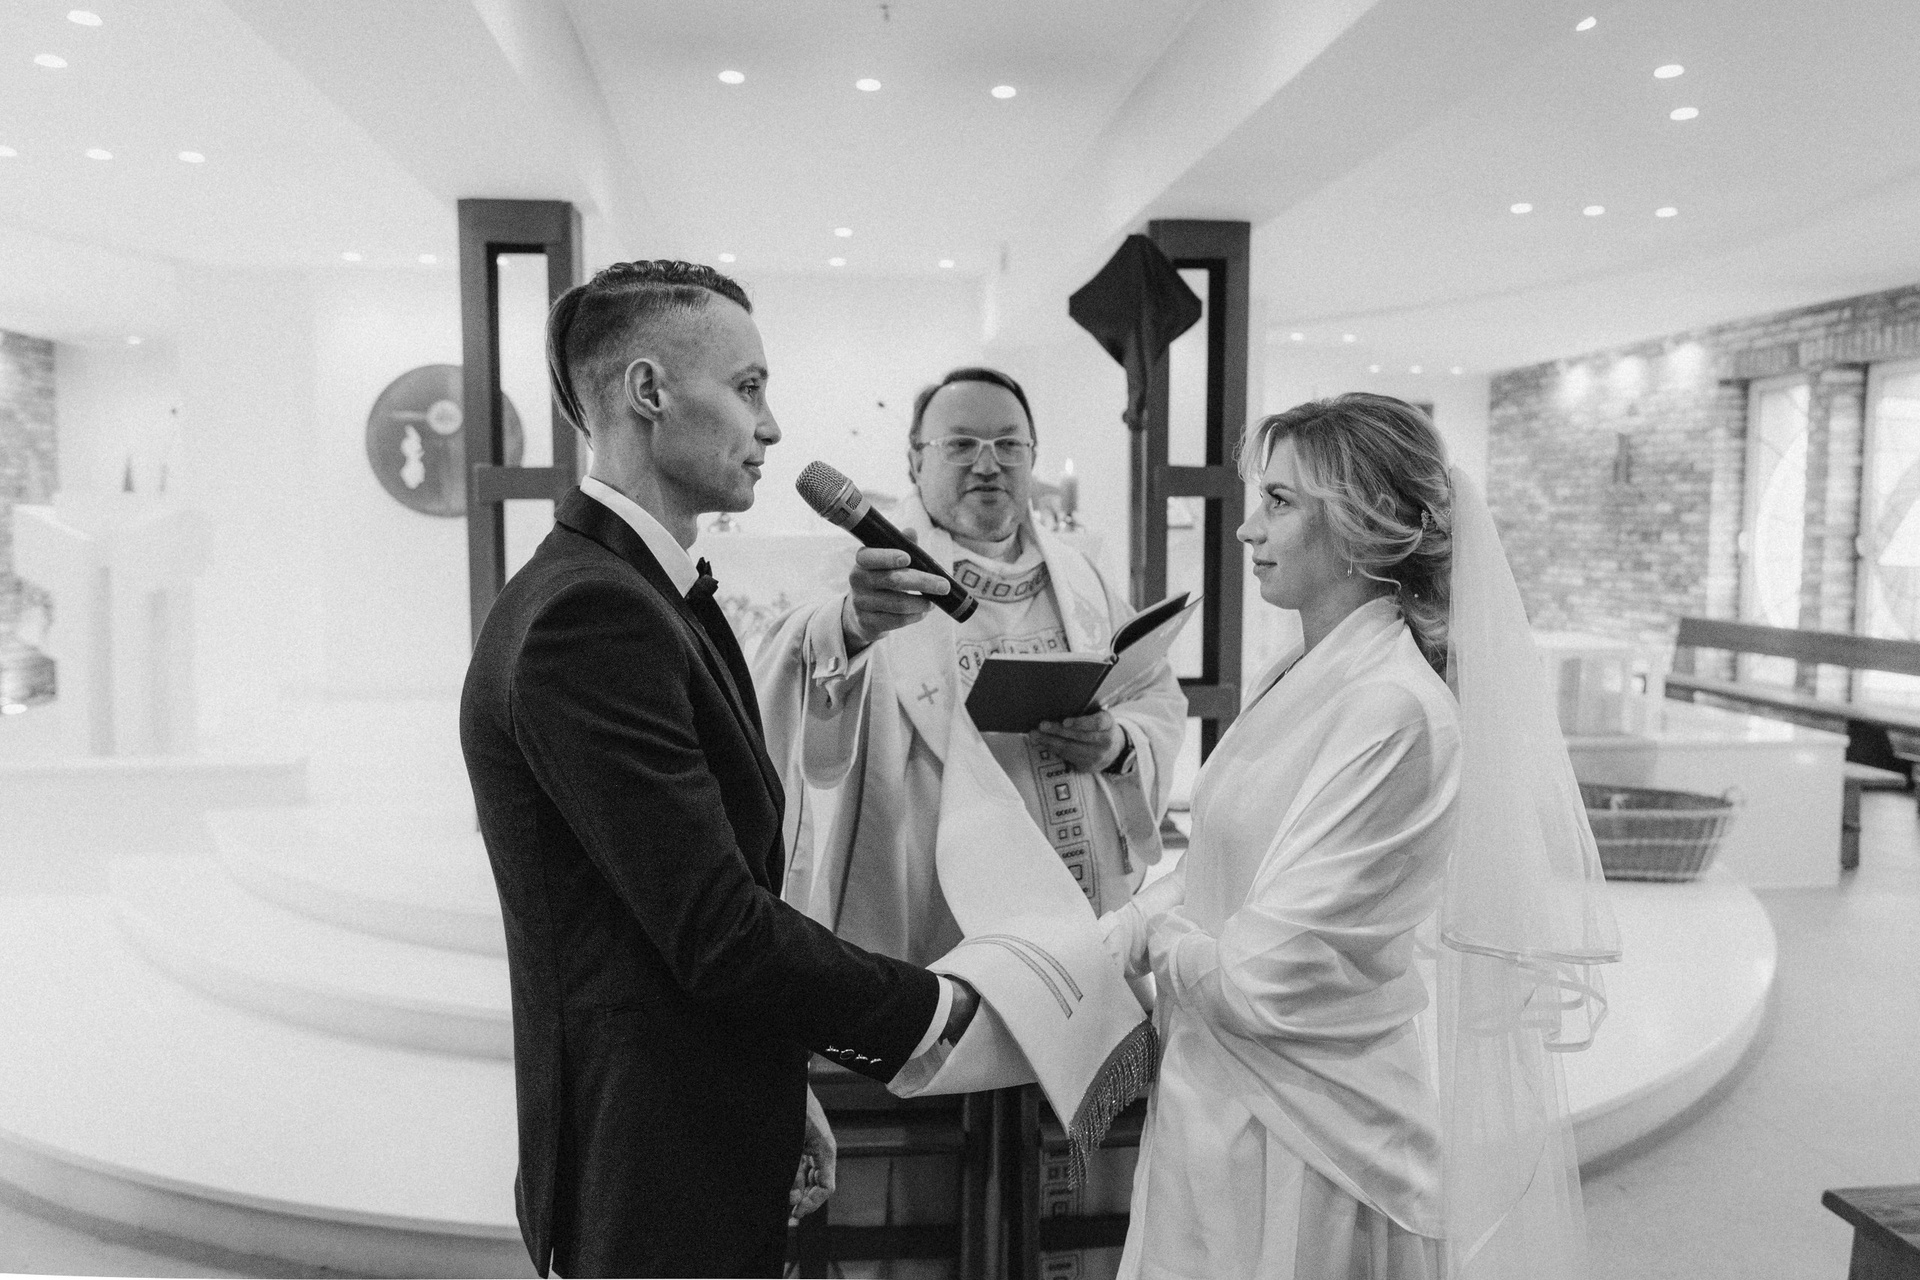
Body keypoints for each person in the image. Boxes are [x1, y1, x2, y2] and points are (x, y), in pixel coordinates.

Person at [459, 260, 978, 1280]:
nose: (772, 427)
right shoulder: (589, 614)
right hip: (654, 1158)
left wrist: (777, 1081)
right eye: (748, 388)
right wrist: (934, 1009)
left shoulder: (629, 589)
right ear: (649, 391)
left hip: (694, 1114)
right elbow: (714, 926)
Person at [1102, 394, 1618, 1280]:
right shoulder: (1301, 669)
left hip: (1308, 1135)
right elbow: (1223, 869)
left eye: (1279, 502)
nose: (1247, 529)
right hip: (1220, 1095)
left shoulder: (1393, 709)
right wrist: (1121, 929)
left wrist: (1156, 943)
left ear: (1359, 525)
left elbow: (1265, 979)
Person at [756, 366, 1188, 966]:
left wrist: (1116, 745)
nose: (988, 465)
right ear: (915, 460)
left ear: (1032, 457)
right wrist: (851, 628)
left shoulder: (1080, 576)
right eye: (960, 445)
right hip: (931, 912)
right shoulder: (870, 575)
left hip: (1077, 908)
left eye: (1009, 445)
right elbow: (784, 671)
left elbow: (1154, 695)